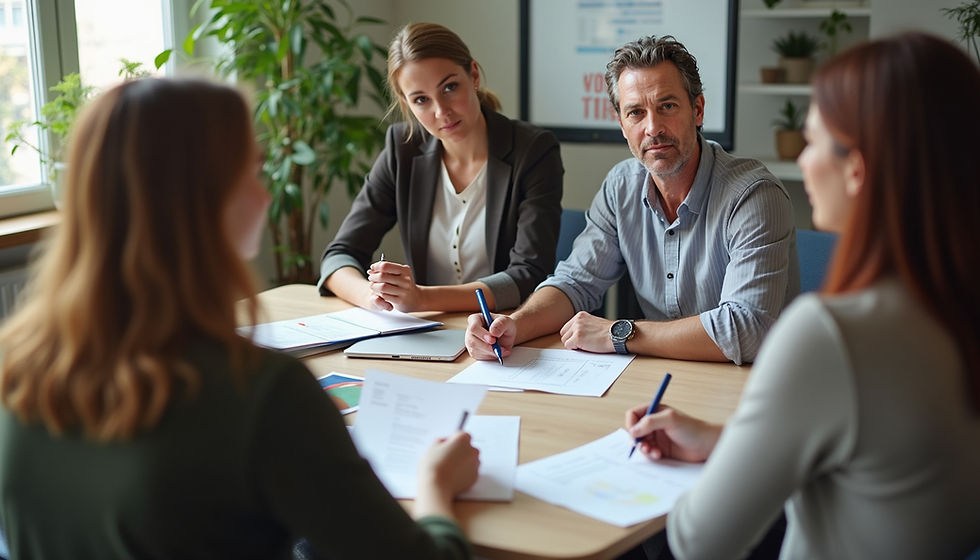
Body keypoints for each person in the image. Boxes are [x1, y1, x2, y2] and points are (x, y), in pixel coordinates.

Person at [0, 78, 480, 559]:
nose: (267, 196)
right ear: (200, 201)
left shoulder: (15, 365)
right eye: (251, 173)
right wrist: (436, 484)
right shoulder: (261, 392)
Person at [625, 32, 980, 559]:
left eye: (812, 141)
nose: (804, 163)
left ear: (857, 170)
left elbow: (699, 541)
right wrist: (733, 444)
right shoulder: (954, 309)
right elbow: (875, 467)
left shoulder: (831, 335)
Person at [466, 35, 797, 366]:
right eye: (636, 112)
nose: (653, 128)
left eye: (667, 106)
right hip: (665, 374)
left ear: (697, 110)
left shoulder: (753, 196)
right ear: (622, 124)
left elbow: (746, 329)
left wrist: (619, 333)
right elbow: (575, 283)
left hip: (754, 383)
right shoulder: (621, 187)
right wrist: (513, 326)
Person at [318, 22, 563, 313]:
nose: (441, 112)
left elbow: (528, 275)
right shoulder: (402, 148)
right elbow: (339, 255)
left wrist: (422, 298)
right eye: (421, 99)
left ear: (473, 75)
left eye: (449, 87)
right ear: (405, 103)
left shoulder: (533, 149)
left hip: (505, 329)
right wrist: (373, 297)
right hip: (428, 331)